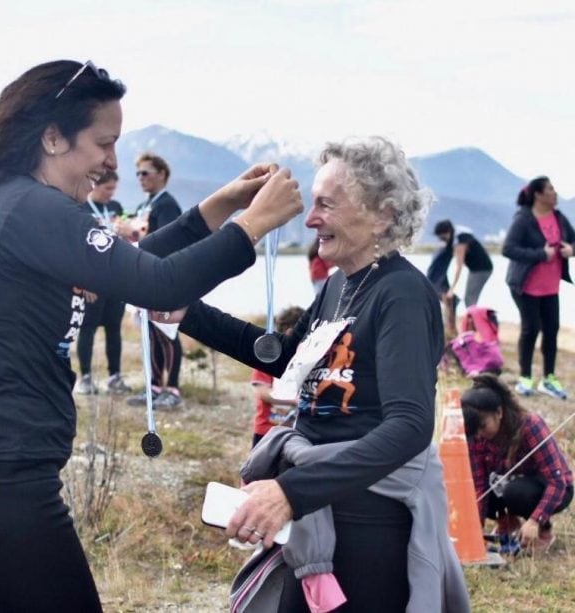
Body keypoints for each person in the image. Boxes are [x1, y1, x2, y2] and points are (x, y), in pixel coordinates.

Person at [0, 59, 303, 612]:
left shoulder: (20, 206)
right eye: (104, 142)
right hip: (0, 489)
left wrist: (220, 207)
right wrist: (254, 225)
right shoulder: (33, 207)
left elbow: (130, 266)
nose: (110, 161)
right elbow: (159, 283)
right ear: (53, 137)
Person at [165, 136, 466, 611]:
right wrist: (188, 312)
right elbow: (287, 358)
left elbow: (409, 427)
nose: (310, 219)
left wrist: (290, 492)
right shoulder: (340, 283)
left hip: (367, 525)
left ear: (382, 214)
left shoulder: (403, 295)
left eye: (326, 204)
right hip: (319, 509)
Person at [461, 374, 573, 553]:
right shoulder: (476, 436)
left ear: (499, 412)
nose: (480, 434)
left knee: (515, 491)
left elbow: (557, 482)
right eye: (475, 430)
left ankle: (543, 531)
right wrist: (475, 531)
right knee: (479, 495)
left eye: (483, 426)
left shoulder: (530, 426)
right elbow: (480, 485)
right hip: (508, 481)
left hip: (553, 487)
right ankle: (508, 523)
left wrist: (536, 519)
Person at [122, 153, 186, 409]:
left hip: (166, 276)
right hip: (145, 276)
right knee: (150, 334)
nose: (140, 178)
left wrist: (136, 235)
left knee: (167, 332)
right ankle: (154, 385)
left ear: (161, 174)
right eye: (137, 174)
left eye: (145, 173)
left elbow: (169, 239)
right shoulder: (144, 205)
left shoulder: (167, 205)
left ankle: (173, 388)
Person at [503, 176, 574, 399]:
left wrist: (570, 250)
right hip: (525, 286)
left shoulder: (559, 217)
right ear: (538, 195)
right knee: (531, 328)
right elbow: (508, 249)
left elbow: (574, 241)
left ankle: (549, 379)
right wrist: (540, 254)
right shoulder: (523, 219)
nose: (555, 193)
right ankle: (525, 378)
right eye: (551, 189)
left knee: (552, 331)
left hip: (551, 287)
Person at [74, 169, 132, 395]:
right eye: (108, 188)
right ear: (95, 186)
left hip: (115, 279)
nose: (111, 193)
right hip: (92, 281)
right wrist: (83, 280)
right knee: (87, 328)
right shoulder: (81, 209)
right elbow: (77, 248)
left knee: (113, 328)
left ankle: (114, 376)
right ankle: (85, 377)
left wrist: (126, 232)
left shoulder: (117, 208)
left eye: (114, 189)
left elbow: (127, 239)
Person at [250, 306, 304, 448]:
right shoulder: (268, 358)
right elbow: (262, 392)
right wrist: (295, 401)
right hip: (266, 431)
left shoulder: (305, 361)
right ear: (290, 332)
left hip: (295, 434)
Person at [433, 219, 493, 308]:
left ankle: (473, 320)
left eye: (443, 238)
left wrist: (451, 289)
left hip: (481, 270)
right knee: (470, 298)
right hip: (476, 269)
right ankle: (472, 318)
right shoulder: (459, 234)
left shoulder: (460, 240)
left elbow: (459, 267)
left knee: (470, 299)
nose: (443, 240)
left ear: (448, 232)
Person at [426, 239, 458, 336]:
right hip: (435, 284)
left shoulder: (441, 252)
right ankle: (450, 329)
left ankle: (450, 329)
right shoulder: (444, 252)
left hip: (434, 282)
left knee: (452, 300)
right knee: (449, 301)